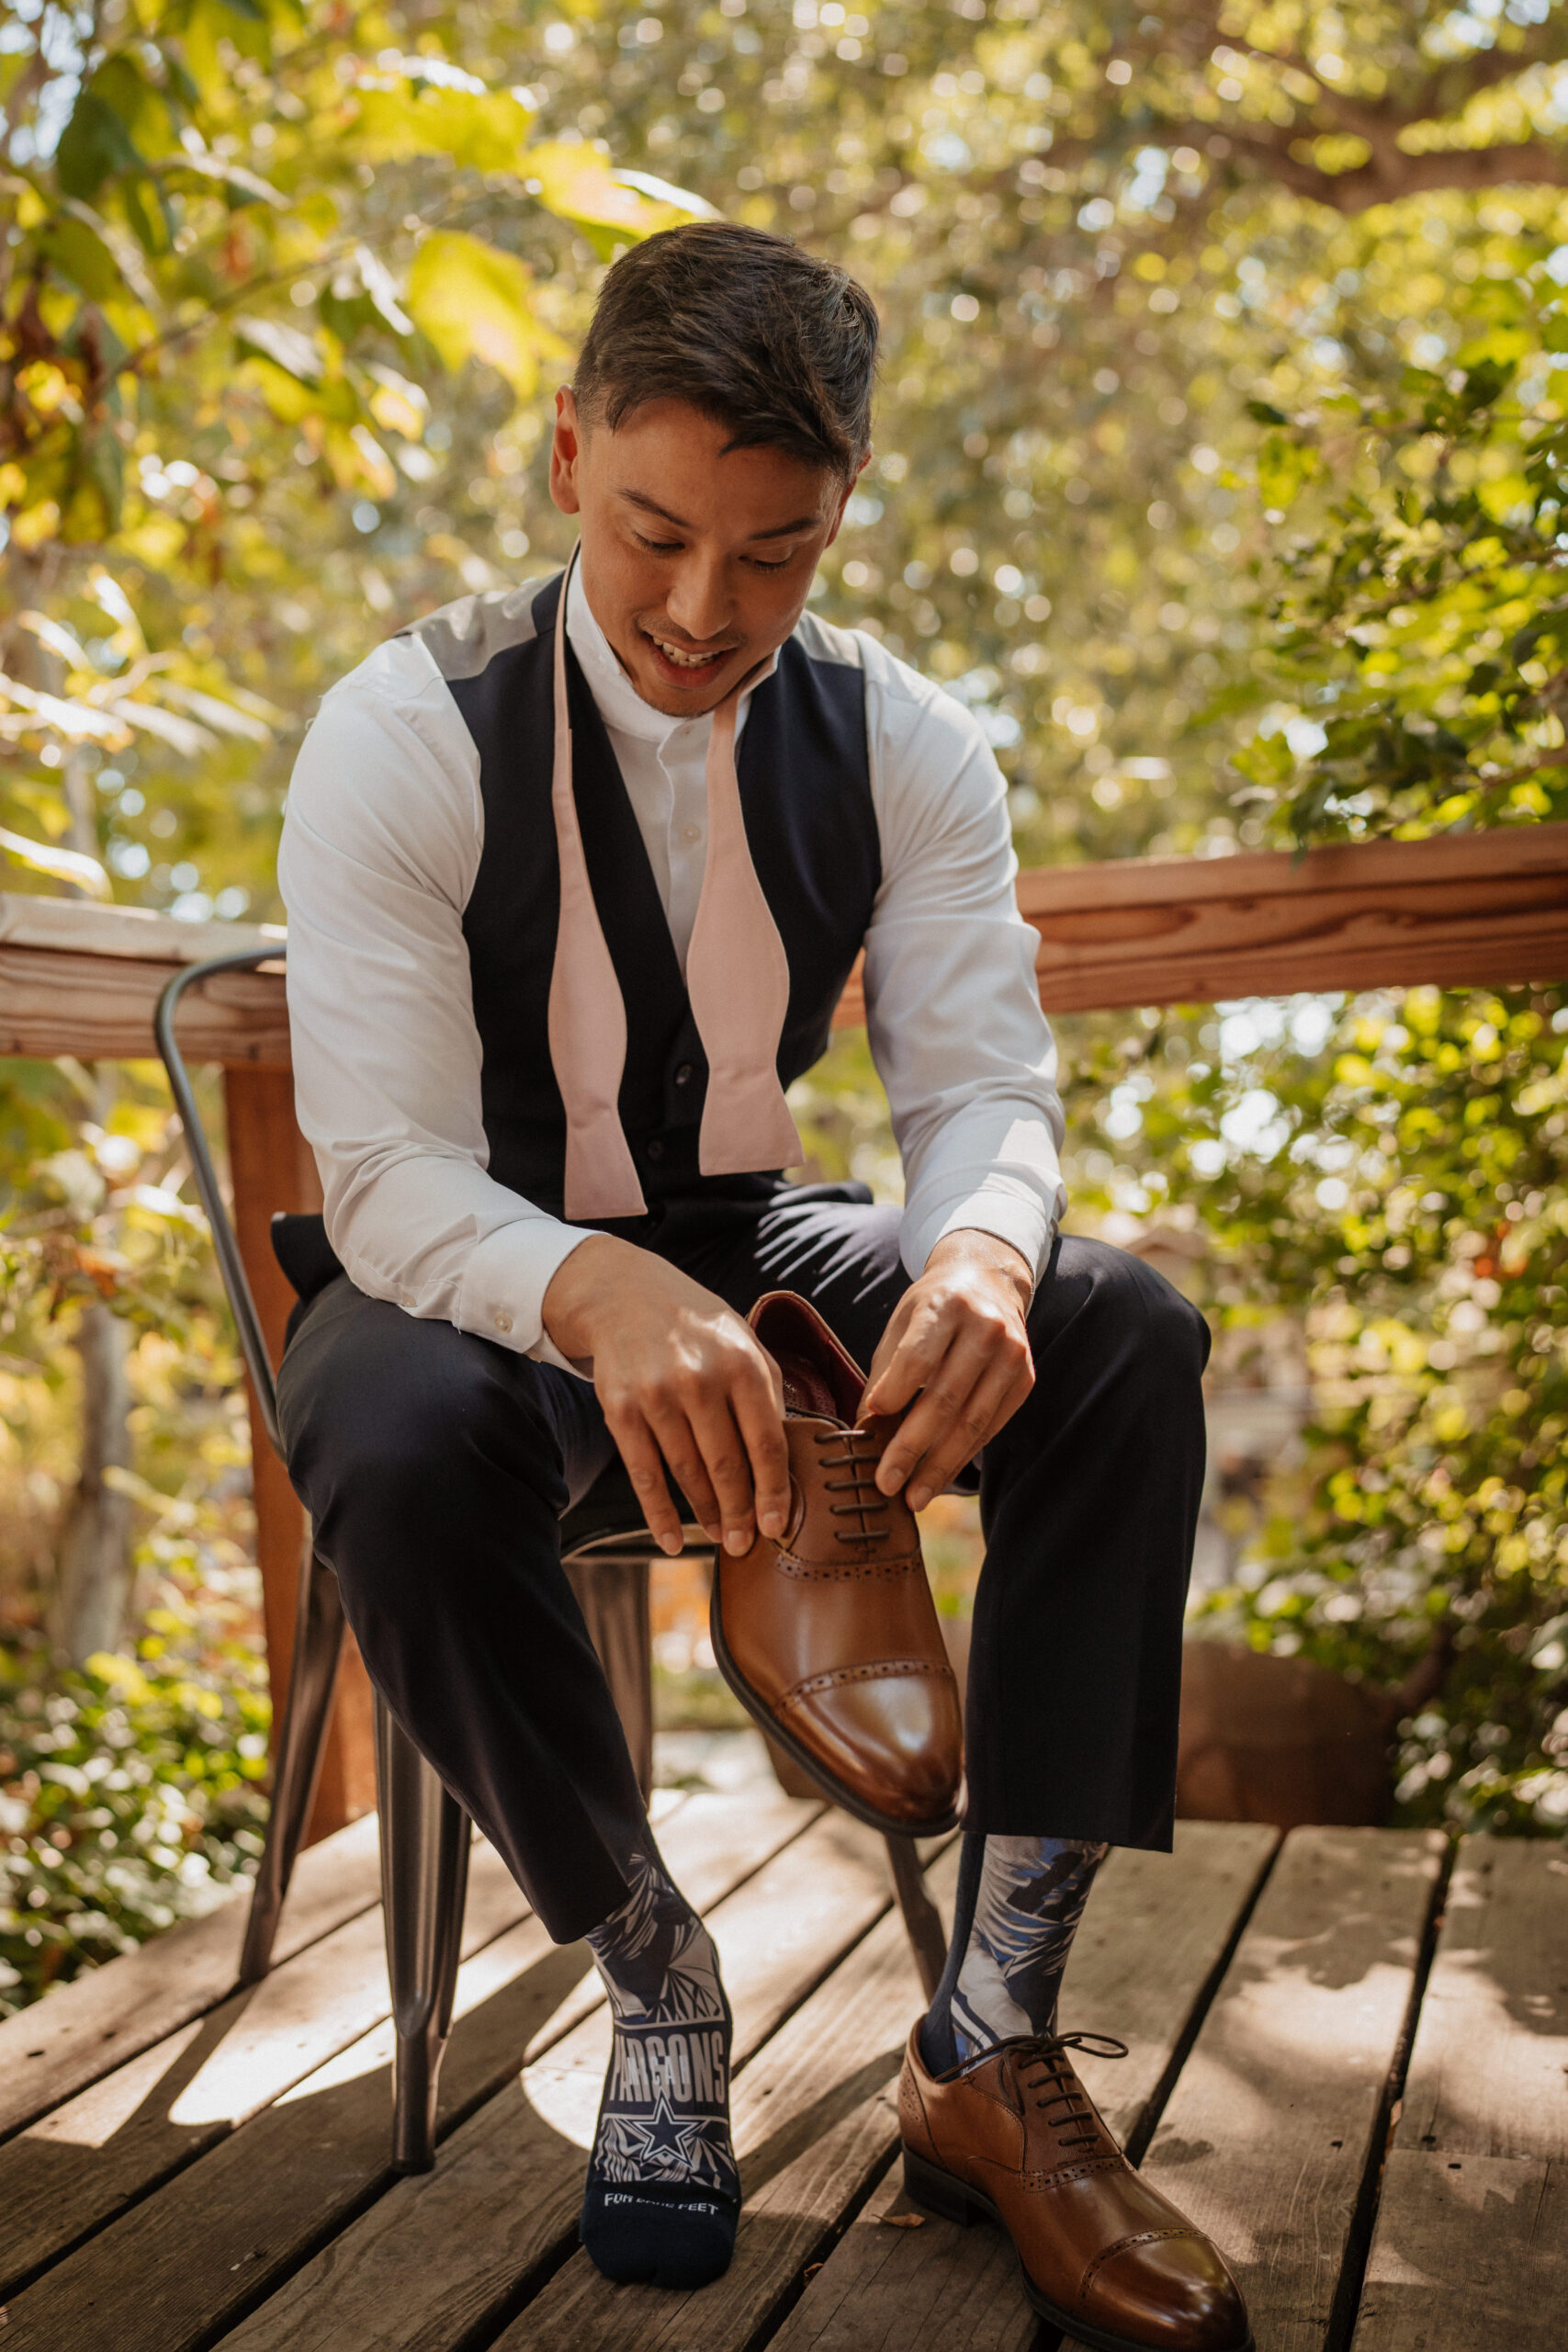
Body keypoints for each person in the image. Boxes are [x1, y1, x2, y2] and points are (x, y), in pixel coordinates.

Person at [276, 221, 1247, 2349]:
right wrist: (590, 1295)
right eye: (653, 536)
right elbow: (378, 1168)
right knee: (374, 1419)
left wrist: (984, 1247)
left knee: (1118, 1333)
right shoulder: (400, 732)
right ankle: (653, 1963)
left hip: (759, 1225)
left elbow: (982, 1074)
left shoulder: (906, 739)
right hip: (475, 1262)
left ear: (838, 519)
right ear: (562, 461)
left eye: (774, 555)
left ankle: (989, 2038)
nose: (705, 609)